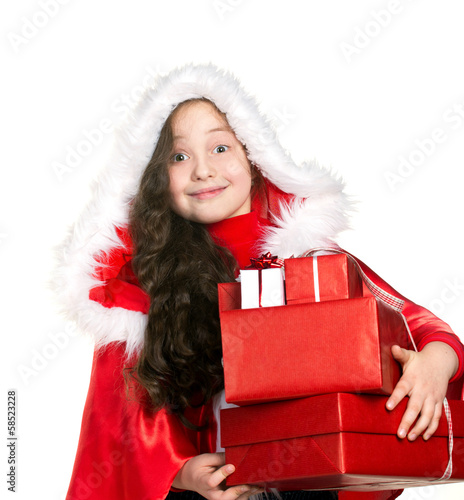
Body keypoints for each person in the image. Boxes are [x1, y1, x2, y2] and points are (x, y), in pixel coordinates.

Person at [54, 64, 464, 500]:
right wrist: (181, 471)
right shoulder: (140, 285)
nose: (202, 170)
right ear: (157, 180)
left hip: (312, 481)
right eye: (178, 156)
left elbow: (415, 324)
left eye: (220, 148)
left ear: (254, 158)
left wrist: (436, 361)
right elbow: (124, 419)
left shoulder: (309, 259)